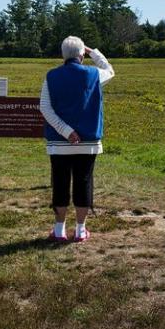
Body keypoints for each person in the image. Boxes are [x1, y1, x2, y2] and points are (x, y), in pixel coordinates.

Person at [40, 36, 114, 243]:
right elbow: (110, 70)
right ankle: (81, 230)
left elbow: (45, 108)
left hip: (59, 143)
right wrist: (94, 53)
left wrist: (66, 131)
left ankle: (59, 229)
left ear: (62, 54)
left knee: (60, 184)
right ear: (82, 54)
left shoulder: (51, 76)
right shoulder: (93, 74)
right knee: (84, 182)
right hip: (88, 142)